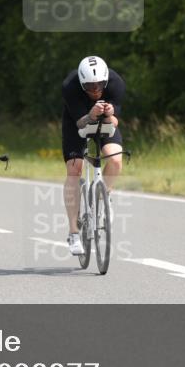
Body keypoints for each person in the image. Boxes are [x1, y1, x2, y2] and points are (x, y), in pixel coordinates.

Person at [62, 56, 126, 255]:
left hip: (104, 121)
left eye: (99, 86)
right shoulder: (70, 86)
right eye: (89, 86)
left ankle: (104, 196)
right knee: (74, 170)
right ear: (82, 84)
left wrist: (109, 113)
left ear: (106, 81)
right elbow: (81, 124)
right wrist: (90, 114)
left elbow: (114, 123)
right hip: (77, 121)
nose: (95, 90)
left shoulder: (116, 83)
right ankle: (73, 232)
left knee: (115, 159)